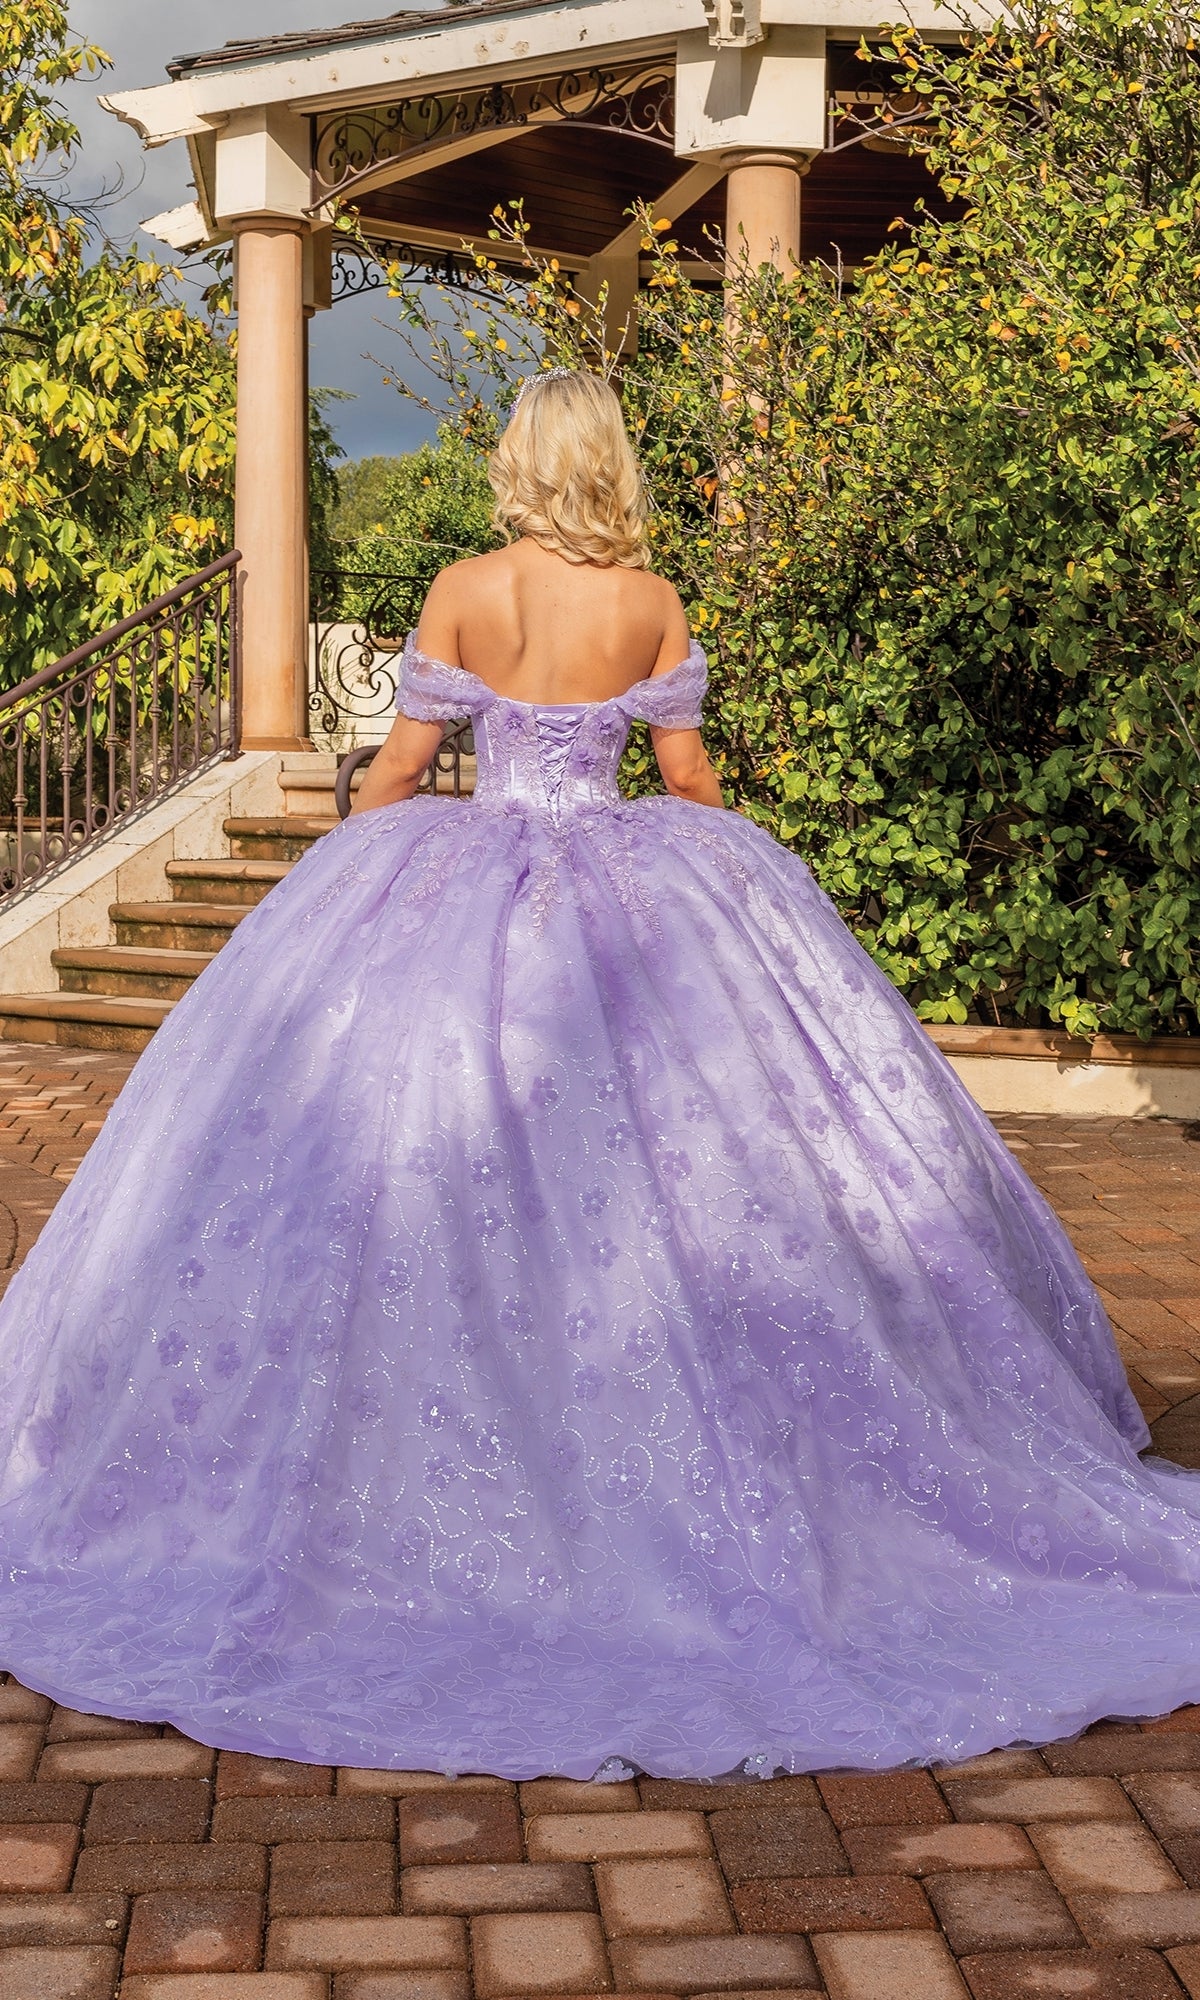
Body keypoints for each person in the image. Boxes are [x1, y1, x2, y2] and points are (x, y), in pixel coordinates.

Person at [0, 370, 1197, 1783]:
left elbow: (403, 766)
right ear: (611, 463)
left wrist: (349, 842)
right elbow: (685, 781)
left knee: (421, 1153)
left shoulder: (461, 586)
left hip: (473, 873)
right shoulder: (650, 598)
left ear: (518, 460)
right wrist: (737, 871)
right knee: (676, 1171)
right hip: (622, 888)